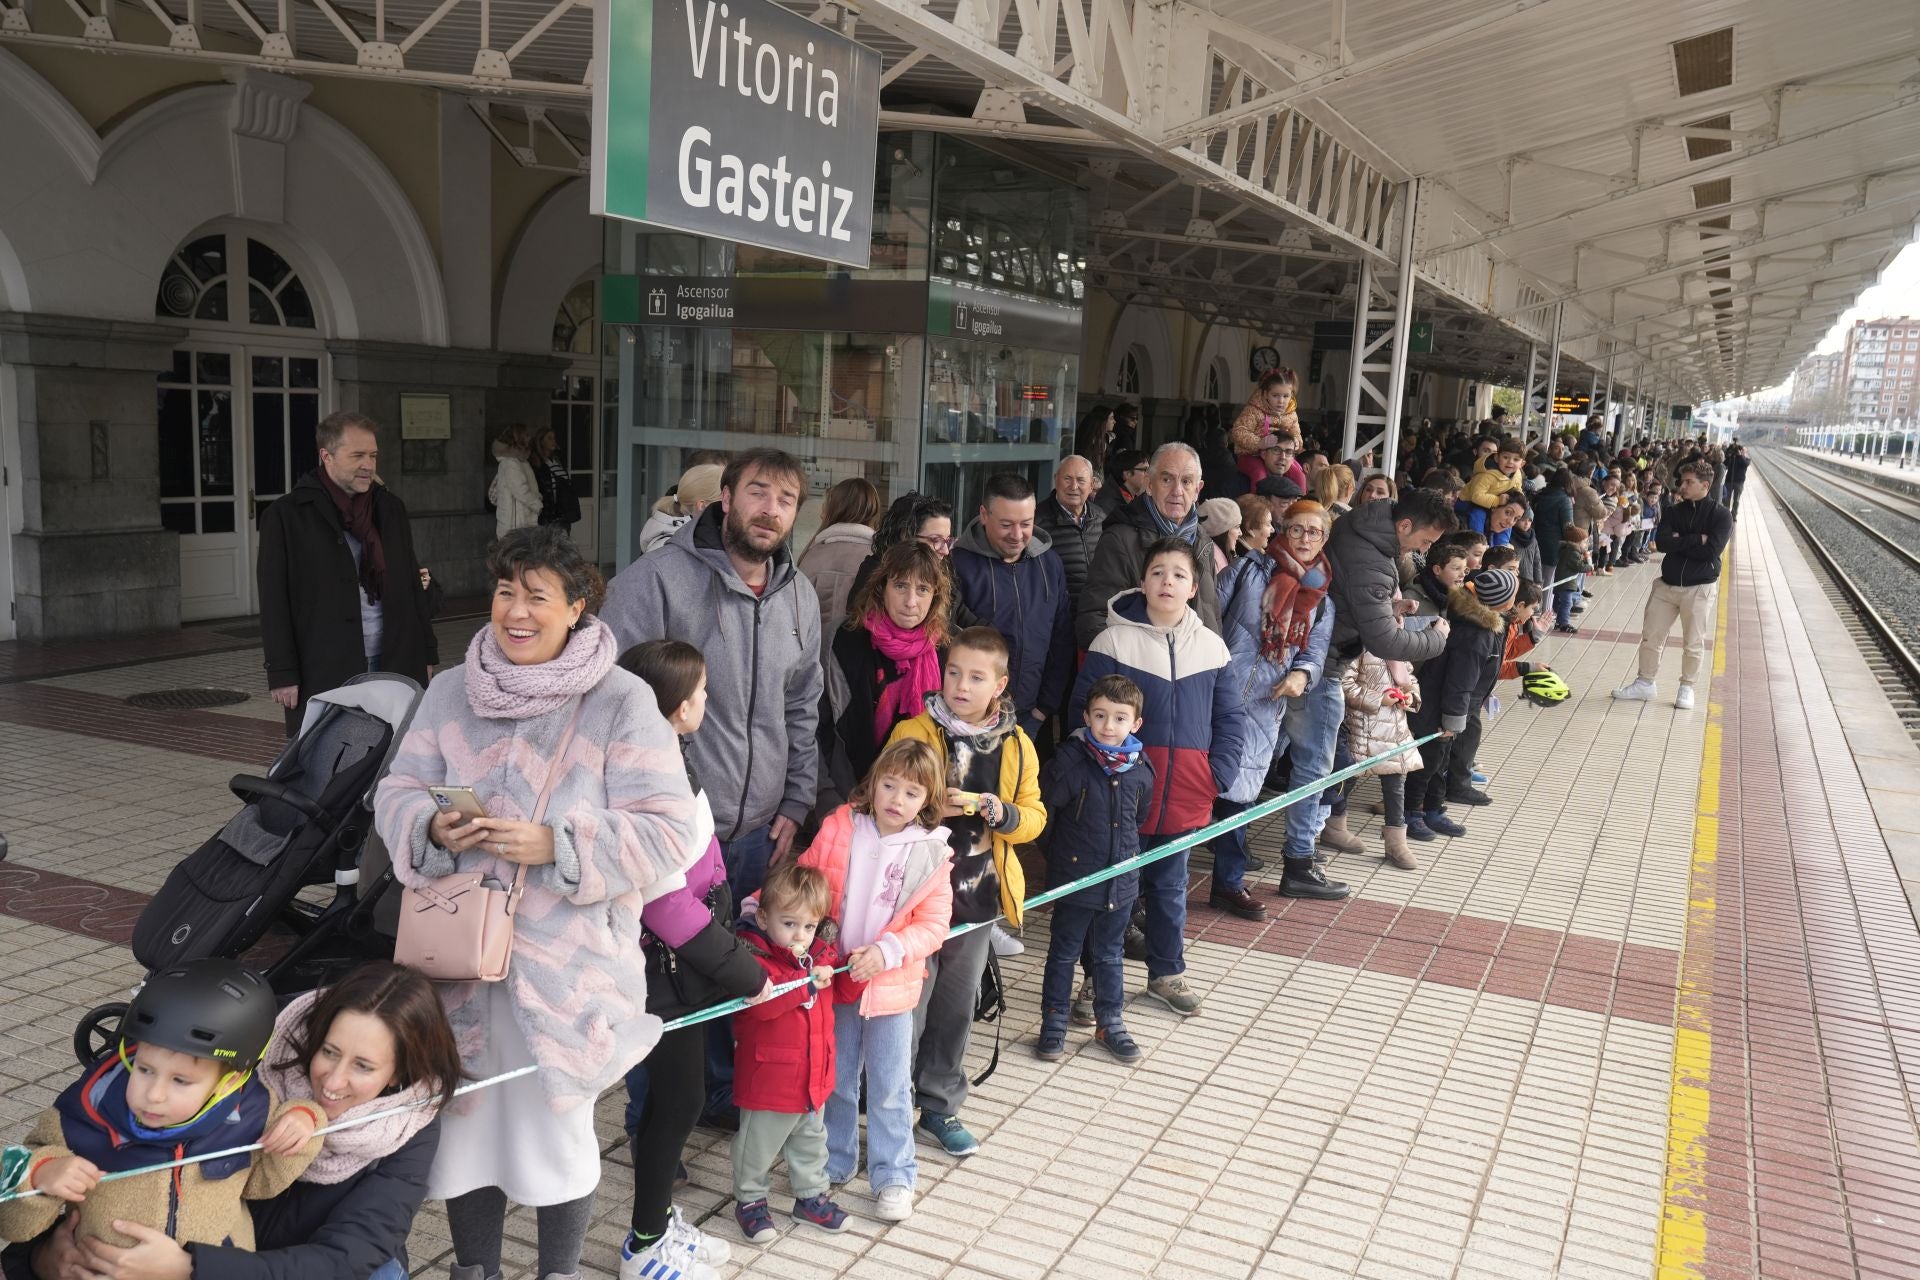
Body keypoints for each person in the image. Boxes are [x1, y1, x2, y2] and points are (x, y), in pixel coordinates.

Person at [375, 525, 704, 1280]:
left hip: (570, 968)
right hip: (459, 956)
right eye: (504, 592)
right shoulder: (451, 688)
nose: (515, 612)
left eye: (537, 597)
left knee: (558, 1135)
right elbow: (395, 790)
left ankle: (557, 1272)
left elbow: (667, 829)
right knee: (467, 1129)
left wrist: (559, 844)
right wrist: (431, 822)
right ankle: (473, 1271)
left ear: (578, 606)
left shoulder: (621, 699)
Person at [603, 449, 823, 1129]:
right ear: (723, 498)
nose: (770, 510)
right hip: (674, 836)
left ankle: (715, 1105)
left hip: (758, 832)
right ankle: (652, 1135)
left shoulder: (799, 595)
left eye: (785, 499)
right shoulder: (655, 582)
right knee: (665, 995)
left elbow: (802, 705)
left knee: (733, 978)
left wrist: (795, 801)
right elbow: (619, 701)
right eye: (758, 492)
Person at [13, 961, 465, 1280]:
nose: (333, 1080)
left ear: (400, 1073)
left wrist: (191, 1269)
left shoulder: (406, 1128)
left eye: (363, 1067)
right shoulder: (233, 1046)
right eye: (328, 1052)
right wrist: (41, 1257)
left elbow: (348, 1258)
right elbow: (86, 1155)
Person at [615, 641, 771, 1280]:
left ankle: (653, 1223)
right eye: (702, 691)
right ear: (679, 708)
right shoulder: (650, 777)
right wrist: (744, 970)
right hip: (667, 973)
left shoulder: (668, 757)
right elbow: (666, 904)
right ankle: (644, 1246)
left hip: (685, 964)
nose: (708, 701)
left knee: (673, 1102)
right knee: (675, 1101)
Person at [0, 960, 321, 1253]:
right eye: (144, 1069)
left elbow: (260, 1186)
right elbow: (14, 1226)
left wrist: (305, 1122)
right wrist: (38, 1175)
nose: (153, 1095)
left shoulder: (253, 1110)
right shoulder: (79, 1115)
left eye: (181, 1081)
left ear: (231, 1080)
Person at [886, 628, 1045, 1157]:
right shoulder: (915, 729)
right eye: (953, 672)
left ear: (998, 685)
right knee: (909, 1003)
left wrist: (1001, 812)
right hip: (915, 895)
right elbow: (882, 799)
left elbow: (1034, 818)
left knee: (956, 1007)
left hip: (978, 897)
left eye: (976, 677)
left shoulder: (1018, 744)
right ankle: (889, 1104)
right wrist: (936, 806)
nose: (961, 684)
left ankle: (939, 1105)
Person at [1071, 539, 1245, 1014]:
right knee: (1112, 893)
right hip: (1120, 796)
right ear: (1142, 581)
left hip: (1186, 793)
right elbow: (1081, 715)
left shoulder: (1212, 647)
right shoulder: (1112, 641)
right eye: (1158, 572)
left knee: (1170, 890)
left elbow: (1230, 718)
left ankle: (1167, 974)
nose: (1167, 581)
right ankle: (1095, 980)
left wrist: (1218, 775)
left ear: (1194, 588)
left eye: (1179, 575)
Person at [798, 739, 955, 1223]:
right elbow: (805, 880)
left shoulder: (931, 853)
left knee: (889, 1087)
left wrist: (886, 953)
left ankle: (895, 1176)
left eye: (911, 793)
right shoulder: (840, 825)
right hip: (836, 978)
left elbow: (934, 925)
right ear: (872, 783)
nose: (896, 799)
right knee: (838, 1079)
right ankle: (837, 1162)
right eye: (889, 785)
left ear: (927, 801)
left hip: (890, 986)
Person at [258, 411, 438, 735]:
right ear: (326, 456)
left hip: (394, 659)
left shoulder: (389, 508)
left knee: (392, 761)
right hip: (325, 664)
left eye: (372, 455)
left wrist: (426, 652)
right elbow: (274, 601)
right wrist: (282, 673)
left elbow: (411, 585)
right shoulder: (287, 516)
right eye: (357, 455)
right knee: (327, 764)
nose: (368, 464)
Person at [1214, 500, 1336, 911]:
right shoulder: (1249, 569)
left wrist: (1301, 676)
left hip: (1266, 703)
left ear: (1324, 538)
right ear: (1283, 530)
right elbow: (1209, 613)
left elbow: (1314, 652)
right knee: (1195, 785)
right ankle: (1158, 882)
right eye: (1297, 529)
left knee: (1240, 793)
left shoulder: (1321, 596)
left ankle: (1228, 883)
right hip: (1215, 690)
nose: (1304, 538)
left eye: (1313, 532)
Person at [1035, 673, 1153, 1064]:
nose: (1108, 725)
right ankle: (1053, 1022)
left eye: (1119, 718)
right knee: (1064, 952)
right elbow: (1044, 818)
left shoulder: (1140, 768)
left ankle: (1110, 1022)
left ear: (1135, 724)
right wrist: (1063, 861)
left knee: (1109, 954)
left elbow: (1139, 817)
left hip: (1120, 883)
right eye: (1100, 715)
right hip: (1073, 879)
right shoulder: (1069, 762)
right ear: (1086, 716)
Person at [730, 862, 846, 1244]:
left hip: (815, 1075)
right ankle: (749, 1200)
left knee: (811, 1142)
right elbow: (759, 1007)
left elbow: (840, 994)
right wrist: (807, 983)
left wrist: (854, 974)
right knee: (756, 1146)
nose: (801, 934)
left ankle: (811, 1196)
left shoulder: (818, 959)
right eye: (790, 923)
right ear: (763, 918)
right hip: (770, 1080)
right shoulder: (751, 961)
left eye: (809, 926)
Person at [823, 541, 952, 802]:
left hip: (921, 804)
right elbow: (823, 730)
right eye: (901, 586)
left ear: (935, 596)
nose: (911, 602)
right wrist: (836, 800)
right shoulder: (846, 640)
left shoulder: (948, 651)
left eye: (923, 589)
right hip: (850, 798)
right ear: (882, 588)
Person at [949, 473, 1074, 741]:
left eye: (1026, 524)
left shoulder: (1050, 564)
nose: (1017, 535)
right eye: (1006, 524)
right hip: (970, 718)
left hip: (1031, 717)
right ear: (984, 515)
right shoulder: (957, 565)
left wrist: (1044, 708)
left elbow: (1062, 638)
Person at [1404, 569, 1518, 842]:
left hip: (1452, 709)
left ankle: (1433, 809)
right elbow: (1459, 682)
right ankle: (1411, 814)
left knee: (1440, 762)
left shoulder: (1488, 624)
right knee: (1426, 764)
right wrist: (1452, 720)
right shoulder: (1476, 634)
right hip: (1438, 709)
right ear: (1503, 600)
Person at [1613, 460, 1731, 711]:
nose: (1682, 486)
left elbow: (1712, 551)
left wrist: (1682, 541)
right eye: (1683, 481)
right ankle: (1645, 682)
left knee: (1693, 642)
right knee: (1650, 636)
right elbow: (1663, 543)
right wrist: (1696, 539)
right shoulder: (1674, 511)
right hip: (1666, 585)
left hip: (1699, 587)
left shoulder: (1721, 515)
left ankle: (1686, 687)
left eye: (1689, 482)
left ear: (1706, 485)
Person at [1080, 443, 1223, 646]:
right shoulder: (1120, 540)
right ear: (1149, 484)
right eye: (1167, 480)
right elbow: (1094, 621)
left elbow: (1212, 615)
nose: (1177, 491)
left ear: (1198, 489)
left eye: (1186, 482)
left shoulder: (1203, 541)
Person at [1323, 488, 1455, 680]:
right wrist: (1437, 638)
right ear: (1405, 526)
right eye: (1426, 541)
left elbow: (1350, 594)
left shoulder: (1364, 524)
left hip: (1325, 654)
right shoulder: (1373, 563)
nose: (1424, 550)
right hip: (1326, 665)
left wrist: (1388, 607)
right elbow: (1385, 642)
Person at [1339, 629, 1423, 868]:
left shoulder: (1397, 646)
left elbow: (1411, 678)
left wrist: (1410, 697)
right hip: (1363, 727)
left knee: (1396, 782)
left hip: (1395, 728)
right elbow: (1343, 682)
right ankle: (1334, 826)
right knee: (1348, 778)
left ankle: (1396, 844)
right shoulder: (1359, 645)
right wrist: (1378, 699)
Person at [797, 477, 882, 639]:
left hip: (814, 657)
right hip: (865, 659)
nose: (822, 514)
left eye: (825, 507)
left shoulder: (811, 557)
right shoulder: (883, 560)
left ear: (835, 510)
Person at [1035, 455, 1107, 627]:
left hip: (1096, 620)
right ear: (1056, 480)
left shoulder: (1102, 518)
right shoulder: (1037, 522)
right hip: (1056, 623)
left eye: (1081, 480)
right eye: (1067, 479)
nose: (1073, 486)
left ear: (1091, 485)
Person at [848, 492, 955, 604]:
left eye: (947, 541)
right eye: (936, 540)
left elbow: (960, 612)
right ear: (906, 536)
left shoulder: (944, 569)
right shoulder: (874, 575)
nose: (946, 551)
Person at [638, 463, 724, 554]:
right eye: (725, 499)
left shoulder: (688, 537)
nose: (729, 506)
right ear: (702, 506)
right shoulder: (670, 550)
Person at [488, 425, 543, 539]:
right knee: (516, 553)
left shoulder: (518, 460)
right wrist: (536, 504)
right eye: (526, 435)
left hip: (519, 519)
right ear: (519, 438)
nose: (530, 438)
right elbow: (520, 490)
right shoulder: (511, 463)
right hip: (515, 522)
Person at [1230, 369, 1300, 456]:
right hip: (1252, 456)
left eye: (1286, 396)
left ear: (1291, 395)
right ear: (1266, 394)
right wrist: (1260, 443)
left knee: (1298, 470)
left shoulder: (1292, 414)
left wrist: (1296, 442)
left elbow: (1296, 434)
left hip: (1281, 456)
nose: (1281, 401)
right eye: (1275, 395)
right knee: (1259, 470)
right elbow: (1238, 431)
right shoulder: (1253, 410)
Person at [530, 426, 581, 531]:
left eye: (554, 438)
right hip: (548, 515)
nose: (553, 441)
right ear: (541, 441)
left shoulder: (557, 460)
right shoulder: (537, 462)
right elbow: (538, 489)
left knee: (564, 545)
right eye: (549, 438)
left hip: (563, 513)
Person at [1093, 448, 1150, 518]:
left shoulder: (1130, 496)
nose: (1149, 474)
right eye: (1145, 470)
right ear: (1127, 474)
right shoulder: (1107, 503)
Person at [1724, 445, 1750, 517]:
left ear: (1745, 452)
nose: (1741, 451)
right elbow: (1725, 464)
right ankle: (1726, 514)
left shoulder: (1747, 459)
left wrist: (1740, 456)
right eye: (1740, 450)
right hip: (1729, 480)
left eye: (1743, 450)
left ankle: (1734, 515)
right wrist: (1729, 455)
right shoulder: (1732, 457)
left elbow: (1745, 464)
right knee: (1726, 498)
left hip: (1739, 482)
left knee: (1736, 500)